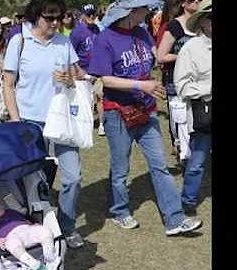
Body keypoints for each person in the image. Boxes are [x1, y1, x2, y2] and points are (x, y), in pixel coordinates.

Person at [88, 0, 202, 236]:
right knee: (121, 169)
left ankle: (174, 219)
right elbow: (106, 80)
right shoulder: (105, 38)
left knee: (159, 165)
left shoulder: (142, 33)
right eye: (144, 10)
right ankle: (120, 211)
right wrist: (142, 84)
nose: (148, 13)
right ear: (131, 12)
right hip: (117, 113)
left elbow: (156, 57)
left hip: (146, 110)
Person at [3, 0, 86, 248]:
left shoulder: (63, 41)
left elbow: (78, 74)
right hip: (30, 122)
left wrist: (70, 79)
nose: (55, 23)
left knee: (72, 177)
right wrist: (17, 122)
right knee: (32, 178)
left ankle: (67, 226)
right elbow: (8, 84)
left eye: (59, 18)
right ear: (35, 16)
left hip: (62, 120)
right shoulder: (19, 41)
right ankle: (31, 226)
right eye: (49, 18)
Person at [173, 0, 211, 216]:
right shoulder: (190, 49)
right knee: (197, 161)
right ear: (202, 22)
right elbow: (183, 86)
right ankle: (188, 201)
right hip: (204, 112)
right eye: (211, 17)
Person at [157, 0, 199, 163]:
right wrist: (186, 56)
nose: (197, 1)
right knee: (181, 122)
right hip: (177, 81)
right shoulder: (175, 26)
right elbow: (161, 56)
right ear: (183, 3)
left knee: (199, 120)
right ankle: (184, 155)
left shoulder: (202, 23)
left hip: (199, 81)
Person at [0, 195, 62, 270]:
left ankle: (48, 250)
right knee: (10, 244)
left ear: (3, 207)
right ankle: (30, 261)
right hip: (11, 236)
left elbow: (24, 218)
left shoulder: (10, 212)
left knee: (44, 230)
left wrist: (34, 224)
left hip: (27, 229)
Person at [69, 5, 104, 136]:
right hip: (82, 72)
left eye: (93, 14)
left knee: (100, 96)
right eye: (88, 14)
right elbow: (70, 53)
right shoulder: (77, 32)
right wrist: (76, 70)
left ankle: (101, 124)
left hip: (97, 69)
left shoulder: (96, 29)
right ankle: (85, 124)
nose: (91, 17)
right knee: (86, 100)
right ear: (83, 16)